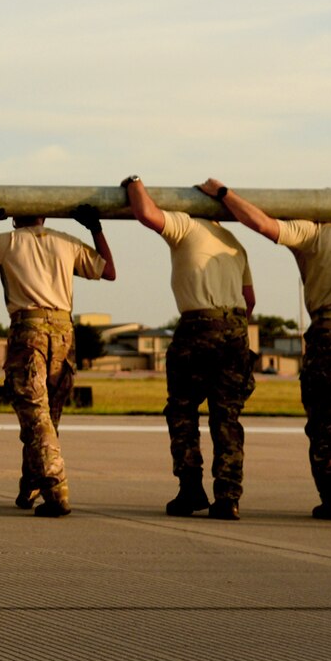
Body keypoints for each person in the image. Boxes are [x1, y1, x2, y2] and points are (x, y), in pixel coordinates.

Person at [204, 178, 331, 524]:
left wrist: (224, 194)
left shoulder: (311, 232)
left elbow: (261, 223)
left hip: (328, 332)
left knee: (322, 423)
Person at [0, 203, 114, 516]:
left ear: (13, 216)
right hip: (64, 331)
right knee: (46, 416)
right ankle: (31, 485)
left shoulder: (7, 242)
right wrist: (95, 229)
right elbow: (107, 270)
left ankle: (55, 490)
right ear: (45, 214)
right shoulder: (65, 241)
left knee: (35, 415)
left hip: (29, 329)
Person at [123, 175, 255, 519]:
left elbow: (147, 214)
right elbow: (250, 300)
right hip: (236, 328)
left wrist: (133, 182)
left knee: (183, 412)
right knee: (227, 418)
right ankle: (228, 497)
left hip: (199, 326)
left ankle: (190, 489)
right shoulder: (234, 243)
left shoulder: (185, 225)